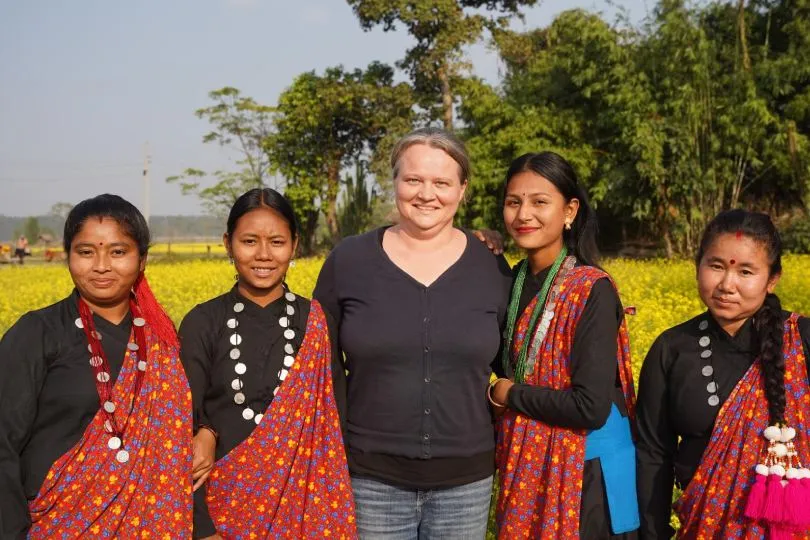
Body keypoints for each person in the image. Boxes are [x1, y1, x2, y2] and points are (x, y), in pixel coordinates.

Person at [313, 127, 513, 538]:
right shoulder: (348, 261)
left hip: (466, 484)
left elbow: (511, 362)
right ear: (395, 184)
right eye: (413, 180)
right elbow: (320, 367)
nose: (427, 194)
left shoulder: (491, 267)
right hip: (370, 481)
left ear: (462, 190)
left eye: (442, 182)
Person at [0, 194, 192, 539]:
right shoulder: (38, 332)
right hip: (54, 523)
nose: (101, 265)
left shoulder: (162, 341)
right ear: (67, 256)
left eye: (118, 252)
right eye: (86, 252)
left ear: (142, 259)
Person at [179, 188, 355, 539]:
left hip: (309, 510)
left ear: (295, 246)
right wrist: (202, 527)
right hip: (220, 513)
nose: (263, 255)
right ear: (228, 244)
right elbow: (181, 431)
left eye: (276, 242)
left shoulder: (316, 323)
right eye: (249, 241)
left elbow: (337, 426)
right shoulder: (203, 322)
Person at [489, 152, 639, 539]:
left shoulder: (592, 288)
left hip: (588, 474)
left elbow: (589, 407)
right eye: (513, 202)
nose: (524, 214)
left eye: (540, 202)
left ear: (569, 210)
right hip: (527, 468)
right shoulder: (511, 280)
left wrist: (509, 392)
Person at [636, 209, 810, 538]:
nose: (726, 285)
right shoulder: (672, 349)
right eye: (715, 266)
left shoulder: (802, 340)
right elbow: (652, 455)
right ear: (697, 266)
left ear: (772, 279)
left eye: (746, 271)